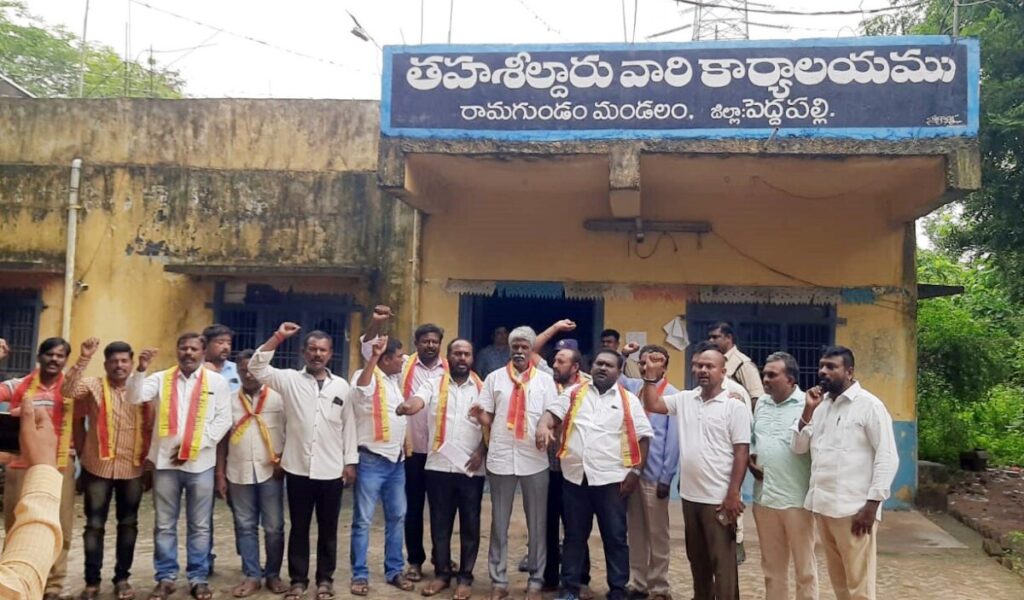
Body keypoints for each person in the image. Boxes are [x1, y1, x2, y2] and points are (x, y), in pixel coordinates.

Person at [248, 323, 358, 600]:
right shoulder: (289, 380)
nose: (317, 354)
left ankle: (325, 580)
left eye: (322, 350)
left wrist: (350, 462)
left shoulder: (341, 386)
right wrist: (278, 337)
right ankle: (298, 580)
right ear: (303, 352)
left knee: (329, 529)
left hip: (331, 469)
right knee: (299, 527)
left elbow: (349, 426)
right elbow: (256, 368)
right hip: (297, 468)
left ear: (331, 354)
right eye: (312, 349)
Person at [536, 350, 653, 600]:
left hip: (612, 481)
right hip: (575, 479)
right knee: (574, 537)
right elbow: (551, 415)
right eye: (599, 363)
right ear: (592, 366)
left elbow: (643, 437)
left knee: (615, 537)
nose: (602, 368)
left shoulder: (628, 400)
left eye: (609, 365)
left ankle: (618, 589)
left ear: (619, 372)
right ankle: (569, 588)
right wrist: (543, 426)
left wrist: (636, 471)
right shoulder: (574, 393)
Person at [125, 333, 232, 600]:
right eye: (183, 347)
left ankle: (198, 577)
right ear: (177, 350)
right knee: (164, 524)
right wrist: (140, 369)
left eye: (194, 348)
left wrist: (194, 448)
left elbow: (223, 420)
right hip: (165, 464)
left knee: (200, 525)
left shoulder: (216, 382)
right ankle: (166, 577)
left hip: (201, 465)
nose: (188, 352)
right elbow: (134, 397)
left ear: (203, 352)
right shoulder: (161, 378)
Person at [640, 344, 750, 600]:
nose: (703, 370)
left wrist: (733, 494)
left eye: (710, 366)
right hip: (690, 497)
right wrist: (650, 377)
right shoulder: (685, 399)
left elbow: (741, 453)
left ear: (723, 372)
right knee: (697, 562)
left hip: (719, 500)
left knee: (722, 566)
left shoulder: (734, 407)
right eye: (699, 365)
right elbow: (652, 403)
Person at [792, 346, 898, 600]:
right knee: (840, 584)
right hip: (823, 507)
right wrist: (807, 411)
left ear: (849, 371)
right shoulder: (821, 406)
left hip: (854, 511)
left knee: (859, 587)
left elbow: (887, 456)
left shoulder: (870, 406)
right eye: (822, 366)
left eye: (831, 367)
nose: (823, 372)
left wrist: (872, 506)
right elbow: (798, 447)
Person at [470, 326, 558, 600]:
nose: (519, 352)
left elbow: (553, 415)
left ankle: (535, 580)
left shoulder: (545, 381)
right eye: (515, 347)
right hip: (501, 458)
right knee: (499, 523)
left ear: (532, 350)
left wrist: (547, 429)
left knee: (537, 524)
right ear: (509, 349)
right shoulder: (495, 379)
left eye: (524, 347)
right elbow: (488, 417)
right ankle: (499, 580)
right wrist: (479, 415)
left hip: (534, 459)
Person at [361, 305, 447, 583]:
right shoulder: (402, 366)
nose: (430, 345)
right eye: (425, 341)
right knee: (411, 509)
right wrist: (377, 324)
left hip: (439, 452)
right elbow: (368, 349)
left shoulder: (451, 370)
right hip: (409, 452)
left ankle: (441, 557)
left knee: (440, 510)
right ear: (417, 344)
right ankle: (415, 561)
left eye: (435, 341)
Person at [63, 339, 154, 600]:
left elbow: (152, 425)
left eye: (124, 360)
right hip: (97, 467)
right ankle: (92, 582)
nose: (119, 365)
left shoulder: (144, 388)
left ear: (131, 362)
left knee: (128, 524)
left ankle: (122, 579)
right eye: (113, 361)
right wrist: (83, 357)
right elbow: (67, 391)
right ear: (106, 364)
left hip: (133, 469)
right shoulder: (93, 385)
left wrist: (149, 465)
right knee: (94, 526)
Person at [396, 339, 486, 600]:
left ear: (472, 358)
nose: (461, 358)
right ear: (449, 357)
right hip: (438, 466)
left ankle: (466, 578)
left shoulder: (483, 388)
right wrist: (406, 407)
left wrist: (482, 451)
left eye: (466, 354)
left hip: (471, 468)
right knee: (440, 523)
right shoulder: (434, 384)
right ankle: (442, 574)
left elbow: (491, 424)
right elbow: (417, 402)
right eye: (457, 353)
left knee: (470, 524)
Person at [0, 337, 76, 600]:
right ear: (39, 356)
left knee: (59, 526)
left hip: (59, 463)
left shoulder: (71, 388)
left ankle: (52, 586)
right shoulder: (18, 385)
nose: (55, 359)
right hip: (20, 464)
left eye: (60, 356)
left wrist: (86, 357)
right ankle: (17, 580)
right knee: (17, 524)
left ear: (66, 360)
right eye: (50, 354)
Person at [215, 349, 287, 598]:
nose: (248, 373)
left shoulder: (279, 398)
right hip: (238, 471)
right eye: (242, 369)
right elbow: (222, 439)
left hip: (271, 472)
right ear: (236, 371)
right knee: (245, 525)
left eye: (252, 369)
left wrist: (284, 462)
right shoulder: (229, 400)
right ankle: (252, 575)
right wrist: (220, 474)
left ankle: (273, 575)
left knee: (274, 527)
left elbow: (291, 431)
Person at [349, 336, 414, 596]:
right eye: (399, 356)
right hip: (371, 460)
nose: (402, 360)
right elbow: (362, 390)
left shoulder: (392, 379)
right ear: (386, 359)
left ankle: (394, 570)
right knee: (363, 521)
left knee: (397, 518)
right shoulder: (366, 375)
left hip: (396, 462)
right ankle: (360, 575)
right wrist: (373, 357)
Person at [750, 352, 817, 600]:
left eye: (772, 375)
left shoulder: (809, 406)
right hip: (764, 499)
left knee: (805, 570)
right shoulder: (761, 405)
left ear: (790, 379)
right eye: (764, 374)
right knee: (772, 569)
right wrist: (751, 459)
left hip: (797, 500)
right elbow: (754, 441)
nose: (765, 379)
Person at [620, 345, 680, 600]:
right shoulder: (633, 389)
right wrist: (624, 356)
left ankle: (659, 586)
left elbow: (674, 441)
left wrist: (667, 477)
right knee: (636, 531)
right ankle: (638, 581)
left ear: (664, 367)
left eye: (654, 363)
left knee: (657, 534)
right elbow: (618, 378)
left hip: (656, 476)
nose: (647, 367)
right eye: (643, 362)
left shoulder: (673, 395)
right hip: (632, 472)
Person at [540, 346, 593, 599]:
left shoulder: (590, 387)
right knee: (548, 523)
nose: (554, 365)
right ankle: (550, 576)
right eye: (554, 360)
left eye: (560, 361)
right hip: (549, 468)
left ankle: (580, 577)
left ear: (575, 367)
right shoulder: (546, 384)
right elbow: (532, 349)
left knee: (576, 527)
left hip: (576, 470)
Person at [0, 395, 64, 599]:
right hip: (29, 464)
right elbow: (19, 587)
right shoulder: (20, 386)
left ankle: (55, 583)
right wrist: (44, 469)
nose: (54, 359)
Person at [201, 323, 237, 578]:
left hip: (235, 449)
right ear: (206, 344)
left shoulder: (237, 372)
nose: (225, 347)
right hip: (204, 449)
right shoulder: (195, 372)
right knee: (203, 513)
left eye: (228, 343)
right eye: (220, 342)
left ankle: (250, 561)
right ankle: (205, 559)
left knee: (242, 510)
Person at [707, 322, 764, 404]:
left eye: (715, 337)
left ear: (729, 338)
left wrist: (743, 407)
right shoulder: (714, 360)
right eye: (709, 337)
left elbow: (756, 397)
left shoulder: (743, 363)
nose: (711, 341)